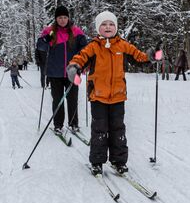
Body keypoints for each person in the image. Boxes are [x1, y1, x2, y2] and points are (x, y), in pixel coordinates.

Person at [66, 10, 159, 176]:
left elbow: (139, 57)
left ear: (116, 27)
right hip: (98, 96)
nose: (107, 27)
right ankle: (97, 162)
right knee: (99, 130)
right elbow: (80, 58)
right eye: (103, 24)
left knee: (118, 130)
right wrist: (74, 67)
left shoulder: (123, 45)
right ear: (98, 28)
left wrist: (151, 56)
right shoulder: (93, 46)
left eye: (111, 24)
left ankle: (118, 161)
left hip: (118, 95)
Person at [44, 5, 87, 133]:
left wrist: (81, 66)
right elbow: (40, 47)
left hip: (73, 72)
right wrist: (46, 40)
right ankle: (58, 125)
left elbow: (85, 50)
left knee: (73, 99)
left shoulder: (76, 31)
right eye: (60, 18)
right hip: (54, 72)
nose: (62, 20)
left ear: (68, 18)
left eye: (64, 17)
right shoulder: (50, 31)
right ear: (56, 19)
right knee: (57, 100)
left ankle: (74, 124)